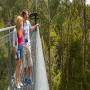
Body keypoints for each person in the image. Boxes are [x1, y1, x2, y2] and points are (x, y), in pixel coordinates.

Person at [21, 9, 39, 85]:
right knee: (24, 65)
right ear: (23, 15)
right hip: (22, 46)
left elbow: (31, 29)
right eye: (27, 14)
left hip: (28, 46)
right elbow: (18, 34)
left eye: (28, 14)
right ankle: (24, 80)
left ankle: (29, 78)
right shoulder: (20, 23)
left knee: (30, 64)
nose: (28, 16)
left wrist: (36, 25)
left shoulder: (28, 22)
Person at [13, 16, 24, 88]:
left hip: (21, 47)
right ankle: (16, 82)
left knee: (20, 66)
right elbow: (14, 44)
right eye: (21, 21)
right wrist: (14, 54)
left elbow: (21, 39)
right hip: (17, 49)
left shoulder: (21, 28)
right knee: (17, 66)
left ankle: (19, 80)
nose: (22, 22)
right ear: (19, 22)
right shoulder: (15, 31)